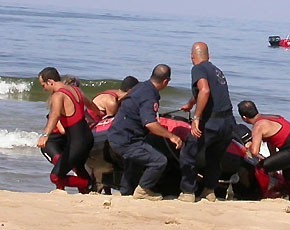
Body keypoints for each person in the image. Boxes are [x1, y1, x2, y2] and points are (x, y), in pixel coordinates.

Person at [107, 64, 183, 201]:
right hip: (127, 139)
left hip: (117, 134)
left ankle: (125, 193)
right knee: (159, 161)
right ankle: (143, 190)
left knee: (134, 162)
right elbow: (150, 124)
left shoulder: (141, 86)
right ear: (166, 82)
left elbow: (123, 98)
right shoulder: (149, 96)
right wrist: (171, 136)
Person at [178, 42, 235, 202]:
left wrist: (196, 117)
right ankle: (209, 191)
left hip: (212, 122)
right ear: (209, 56)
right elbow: (209, 91)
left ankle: (188, 193)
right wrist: (190, 104)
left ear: (191, 57)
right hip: (228, 123)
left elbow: (205, 90)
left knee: (188, 154)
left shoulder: (198, 68)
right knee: (214, 157)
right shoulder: (217, 70)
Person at [37, 67, 101, 193]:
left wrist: (45, 135)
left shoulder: (58, 95)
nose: (43, 89)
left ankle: (90, 184)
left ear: (50, 82)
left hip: (77, 143)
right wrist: (100, 117)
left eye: (43, 85)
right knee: (78, 168)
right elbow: (92, 107)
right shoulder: (76, 90)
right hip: (88, 139)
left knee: (55, 176)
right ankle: (87, 189)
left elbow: (54, 116)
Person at [237, 100, 290, 203]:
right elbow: (272, 139)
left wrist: (249, 145)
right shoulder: (272, 117)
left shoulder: (258, 126)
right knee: (289, 175)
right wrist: (273, 157)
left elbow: (254, 151)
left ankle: (262, 195)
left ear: (244, 118)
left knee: (260, 168)